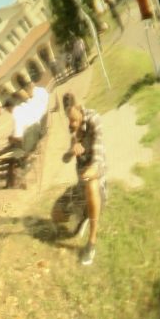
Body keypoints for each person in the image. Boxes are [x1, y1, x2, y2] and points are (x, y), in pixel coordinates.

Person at [60, 90, 105, 265]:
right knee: (57, 216)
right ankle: (84, 215)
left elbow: (99, 150)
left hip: (97, 179)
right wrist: (72, 151)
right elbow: (64, 158)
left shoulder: (94, 119)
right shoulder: (72, 127)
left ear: (79, 108)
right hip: (80, 187)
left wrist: (92, 168)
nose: (72, 123)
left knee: (90, 181)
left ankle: (92, 241)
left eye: (74, 119)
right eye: (69, 119)